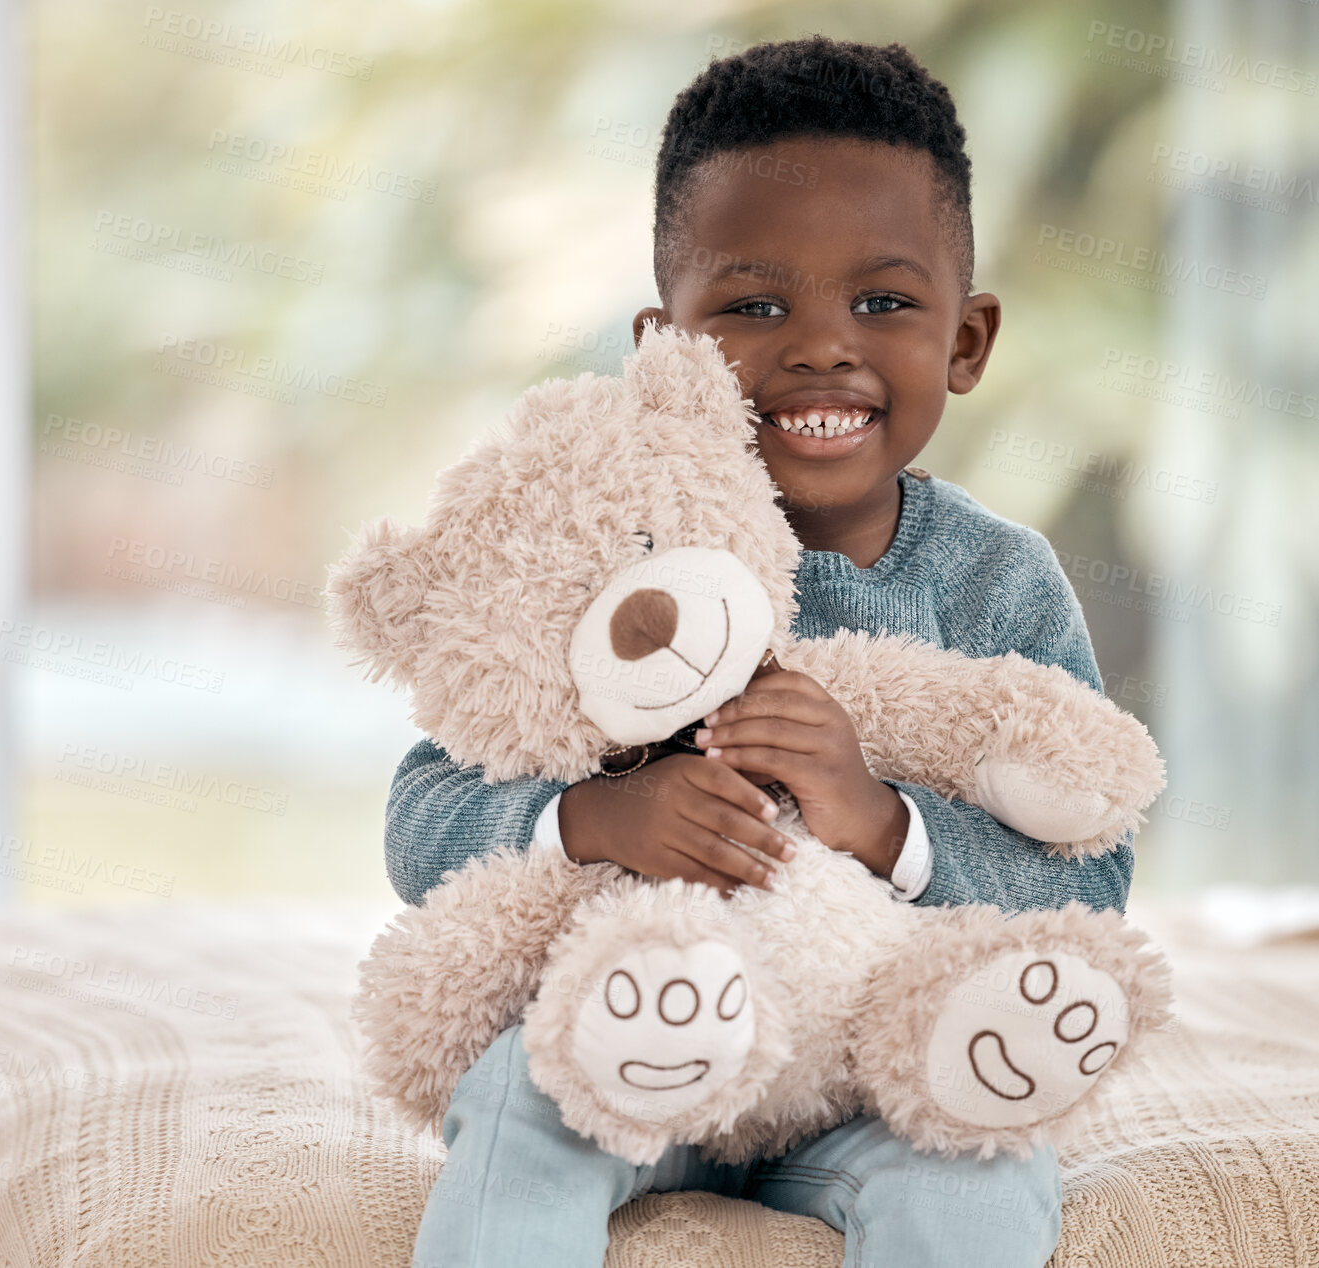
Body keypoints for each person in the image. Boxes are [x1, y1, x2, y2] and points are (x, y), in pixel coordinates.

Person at [397, 35, 1129, 1268]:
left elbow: (1091, 891)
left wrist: (883, 820)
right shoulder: (596, 559)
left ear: (966, 337)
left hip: (868, 1071)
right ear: (660, 346)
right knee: (517, 1092)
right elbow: (422, 812)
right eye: (752, 304)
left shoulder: (998, 581)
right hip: (633, 1041)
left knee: (982, 1158)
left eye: (883, 302)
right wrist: (591, 815)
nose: (820, 347)